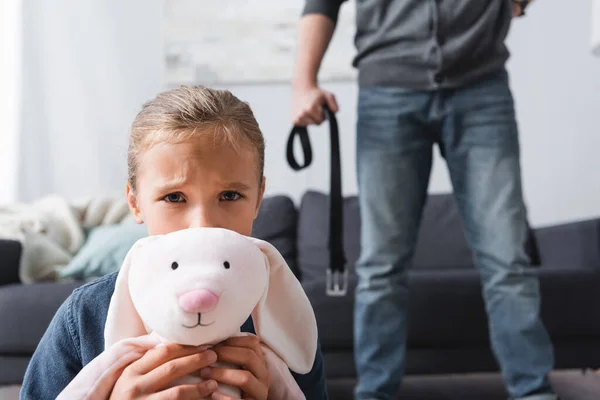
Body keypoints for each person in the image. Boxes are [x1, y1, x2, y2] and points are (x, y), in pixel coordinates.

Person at [292, 1, 556, 400]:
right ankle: (375, 395)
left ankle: (534, 393)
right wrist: (302, 82)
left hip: (481, 83)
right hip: (387, 91)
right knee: (380, 268)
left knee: (509, 262)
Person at [21, 86, 328, 400]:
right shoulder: (83, 318)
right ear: (135, 201)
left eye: (230, 196)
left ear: (258, 198)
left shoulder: (284, 314)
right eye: (174, 198)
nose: (202, 225)